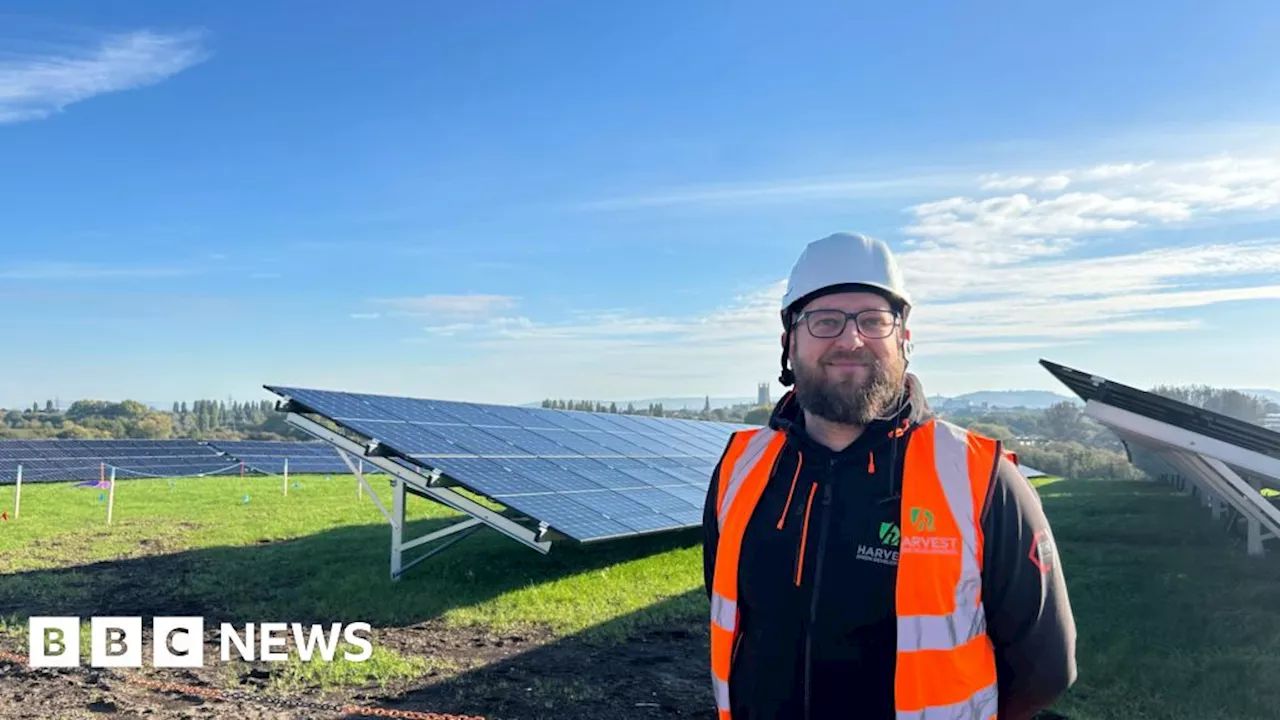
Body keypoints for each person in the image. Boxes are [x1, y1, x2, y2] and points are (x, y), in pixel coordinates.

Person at [702, 232, 1077, 720]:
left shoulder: (980, 479)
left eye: (873, 321)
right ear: (788, 343)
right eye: (824, 320)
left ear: (904, 339)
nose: (851, 339)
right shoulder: (739, 468)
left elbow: (1045, 669)